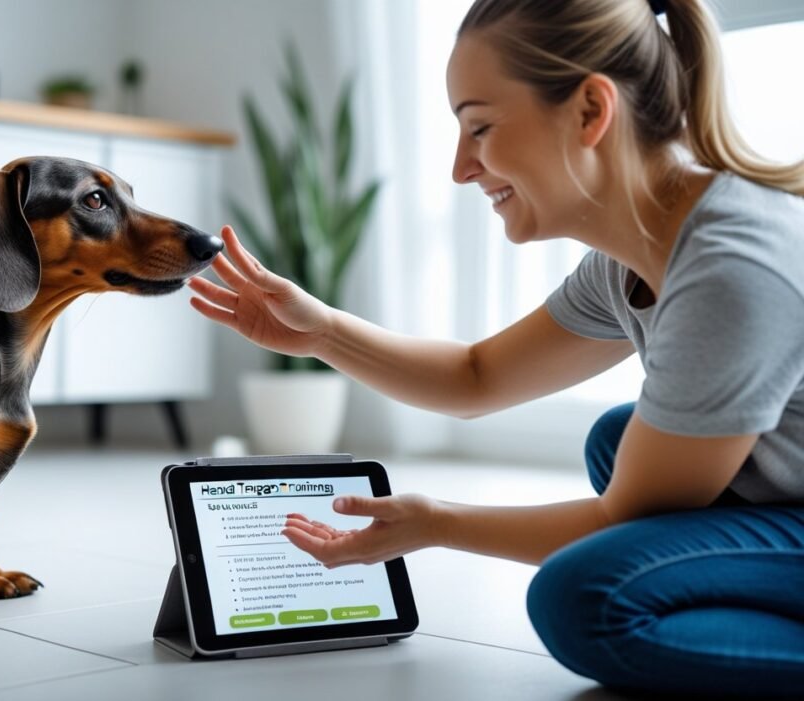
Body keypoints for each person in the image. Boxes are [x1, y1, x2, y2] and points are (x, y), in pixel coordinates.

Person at [189, 0, 804, 695]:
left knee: (585, 597)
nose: (460, 168)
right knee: (618, 441)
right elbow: (476, 377)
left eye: (479, 127)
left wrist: (434, 523)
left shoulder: (733, 263)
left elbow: (618, 516)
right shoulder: (635, 251)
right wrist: (322, 330)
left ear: (590, 111)